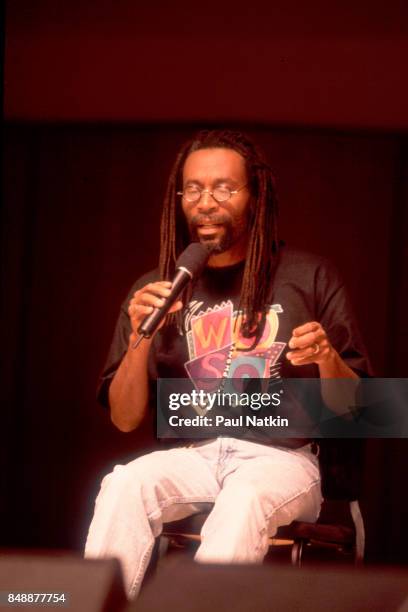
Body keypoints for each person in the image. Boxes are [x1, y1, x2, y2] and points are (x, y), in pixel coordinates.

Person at [85, 129, 370, 599]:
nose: (205, 201)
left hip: (284, 461)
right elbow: (125, 417)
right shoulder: (157, 287)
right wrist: (142, 338)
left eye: (224, 187)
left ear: (255, 196)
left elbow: (363, 412)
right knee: (123, 484)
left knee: (243, 498)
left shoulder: (310, 275)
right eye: (193, 188)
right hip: (194, 455)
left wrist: (326, 357)